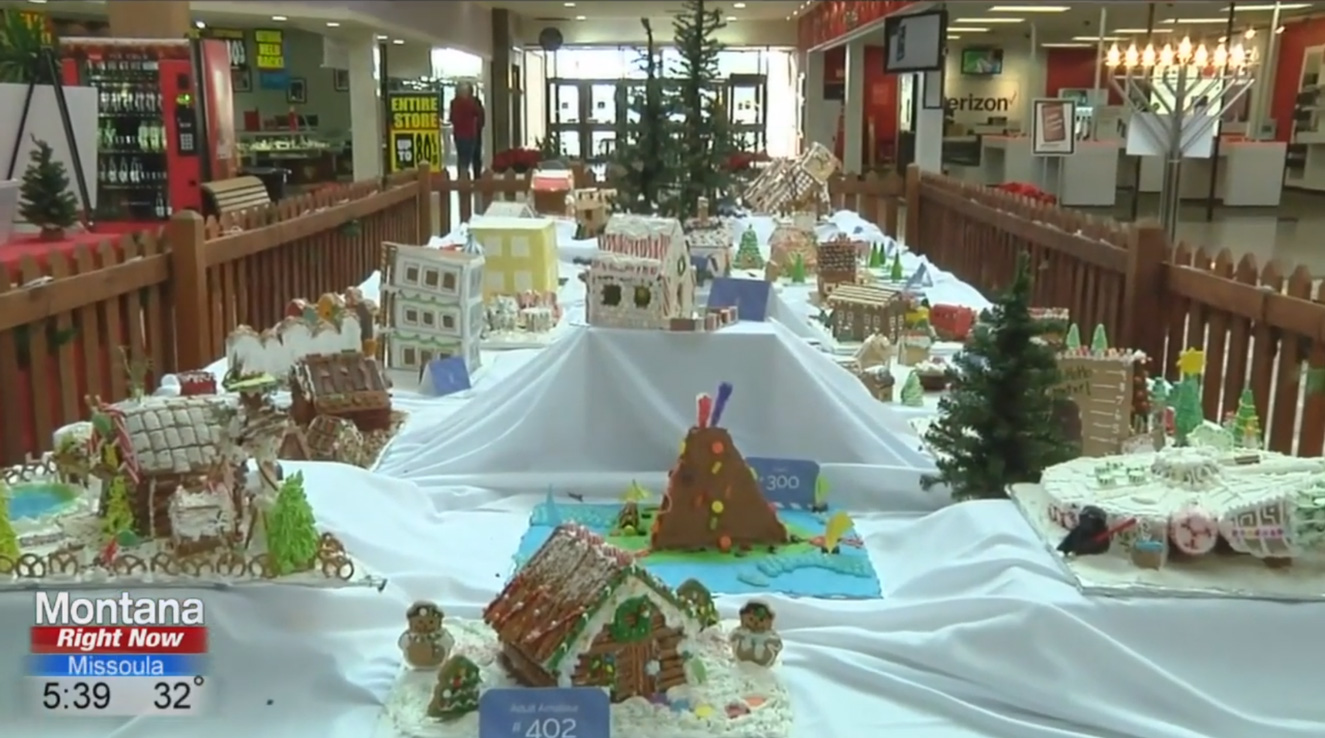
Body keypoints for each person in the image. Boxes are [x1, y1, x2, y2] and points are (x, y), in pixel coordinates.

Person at [449, 82, 485, 179]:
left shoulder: (454, 103)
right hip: (470, 134)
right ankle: (467, 177)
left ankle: (462, 177)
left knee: (462, 157)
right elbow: (479, 113)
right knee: (469, 157)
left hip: (461, 134)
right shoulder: (472, 102)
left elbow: (452, 118)